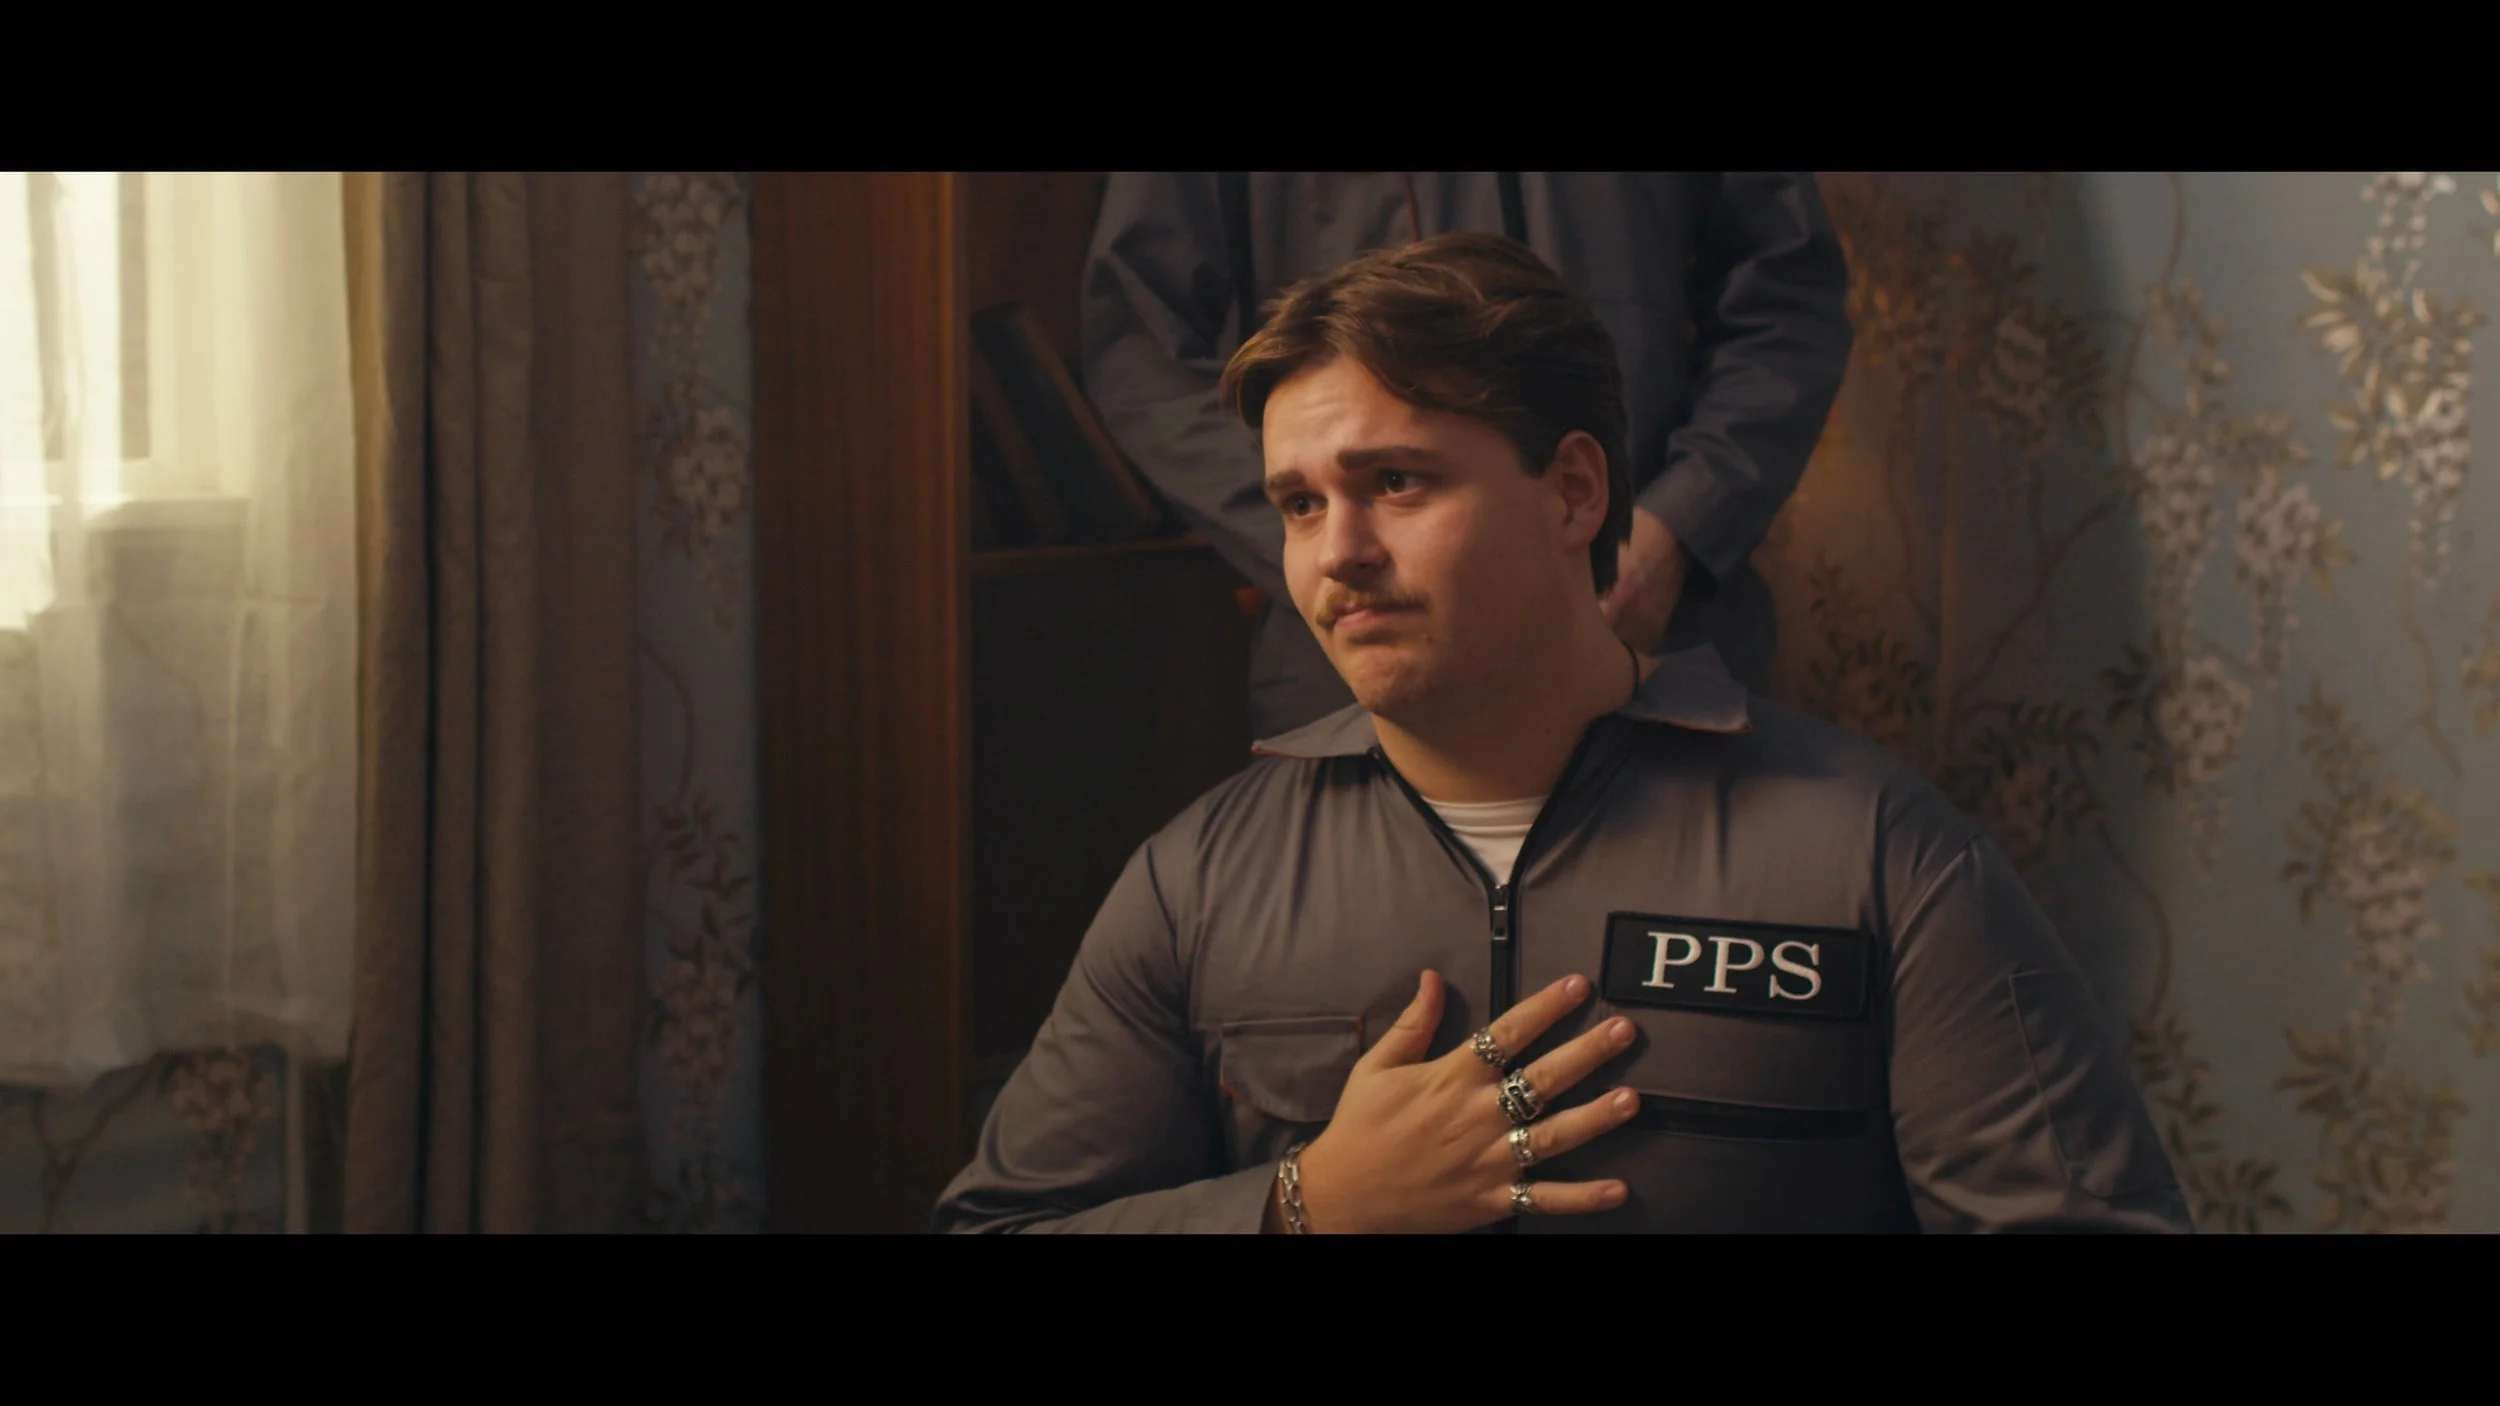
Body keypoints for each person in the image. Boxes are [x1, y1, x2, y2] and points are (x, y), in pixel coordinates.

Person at [932, 232, 2191, 1234]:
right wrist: (1302, 1206)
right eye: (1299, 503)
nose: (1337, 556)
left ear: (1574, 491)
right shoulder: (1195, 881)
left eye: (1397, 482)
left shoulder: (1872, 852)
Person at [1078, 171, 1853, 742]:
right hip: (1347, 673)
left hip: (1650, 616)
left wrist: (1675, 530)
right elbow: (1139, 347)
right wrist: (1321, 529)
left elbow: (1784, 304)